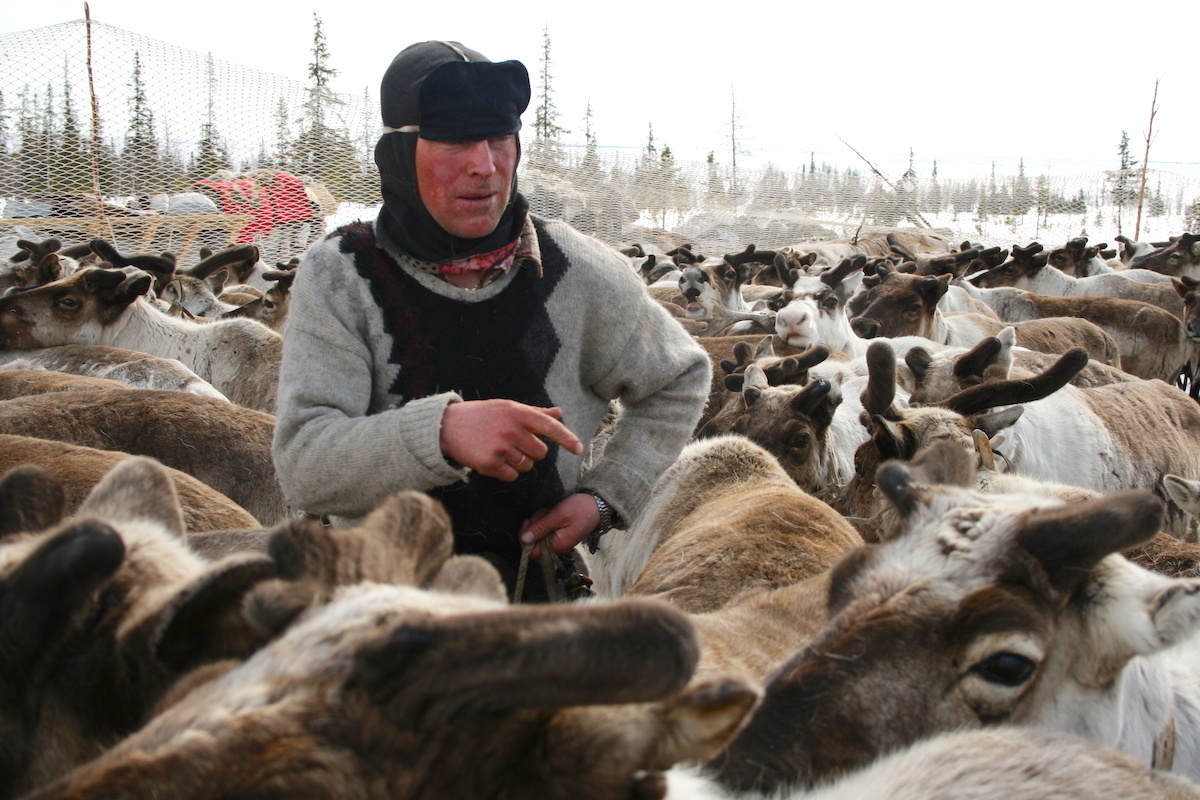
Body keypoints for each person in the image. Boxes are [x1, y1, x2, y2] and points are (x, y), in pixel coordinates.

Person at [271, 40, 710, 601]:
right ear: (399, 154)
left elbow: (679, 377)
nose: (485, 165)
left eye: (499, 137)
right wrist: (442, 433)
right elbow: (304, 464)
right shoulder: (343, 274)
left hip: (538, 601)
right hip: (382, 611)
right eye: (455, 140)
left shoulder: (578, 270)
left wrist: (605, 497)